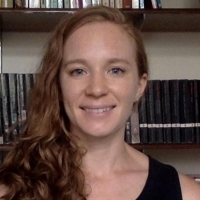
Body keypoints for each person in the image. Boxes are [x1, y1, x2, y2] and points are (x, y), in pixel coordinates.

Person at [0, 6, 199, 200]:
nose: (96, 89)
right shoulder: (11, 189)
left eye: (115, 70)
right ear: (58, 85)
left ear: (139, 85)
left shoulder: (187, 194)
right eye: (78, 71)